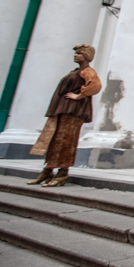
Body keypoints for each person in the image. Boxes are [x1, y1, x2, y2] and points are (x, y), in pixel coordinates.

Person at [27, 45, 103, 187]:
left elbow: (95, 85)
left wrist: (79, 96)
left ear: (86, 56)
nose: (75, 55)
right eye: (75, 53)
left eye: (79, 53)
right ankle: (48, 171)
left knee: (66, 141)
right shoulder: (74, 71)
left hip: (73, 111)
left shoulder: (88, 71)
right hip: (62, 110)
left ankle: (62, 173)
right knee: (54, 139)